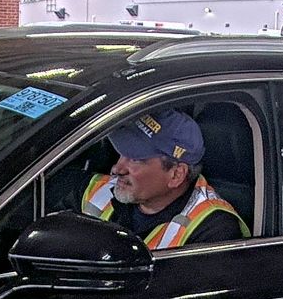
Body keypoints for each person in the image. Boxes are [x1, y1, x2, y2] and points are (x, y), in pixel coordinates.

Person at [77, 107, 248, 249]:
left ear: (176, 175)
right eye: (122, 154)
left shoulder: (214, 230)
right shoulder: (99, 189)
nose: (117, 169)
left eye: (135, 159)